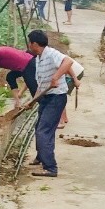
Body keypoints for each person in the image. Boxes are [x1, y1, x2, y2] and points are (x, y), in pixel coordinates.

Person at [25, 30, 73, 177]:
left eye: (29, 42)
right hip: (46, 97)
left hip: (56, 98)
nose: (28, 45)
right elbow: (41, 86)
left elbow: (68, 61)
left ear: (34, 44)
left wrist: (56, 77)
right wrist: (32, 101)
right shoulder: (38, 58)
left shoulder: (51, 53)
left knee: (43, 131)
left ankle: (50, 167)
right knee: (40, 127)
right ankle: (41, 157)